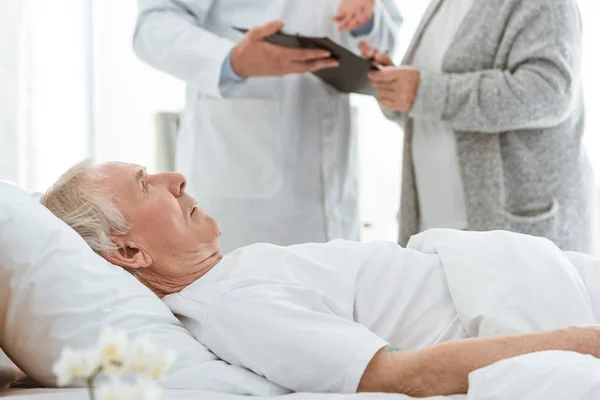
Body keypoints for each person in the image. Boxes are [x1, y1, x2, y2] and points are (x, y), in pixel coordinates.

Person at [41, 160, 600, 397]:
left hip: (520, 272)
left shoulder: (234, 276)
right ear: (131, 250)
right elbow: (397, 377)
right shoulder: (233, 307)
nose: (176, 178)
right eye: (147, 185)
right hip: (540, 303)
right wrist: (577, 341)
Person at [133, 0, 401, 253]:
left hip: (331, 153)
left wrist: (366, 21)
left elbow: (386, 40)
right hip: (242, 158)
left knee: (337, 283)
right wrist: (232, 60)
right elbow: (153, 26)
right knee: (243, 286)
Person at [358, 0, 595, 253]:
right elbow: (429, 98)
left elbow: (549, 92)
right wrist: (395, 85)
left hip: (510, 233)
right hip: (433, 226)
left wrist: (426, 92)